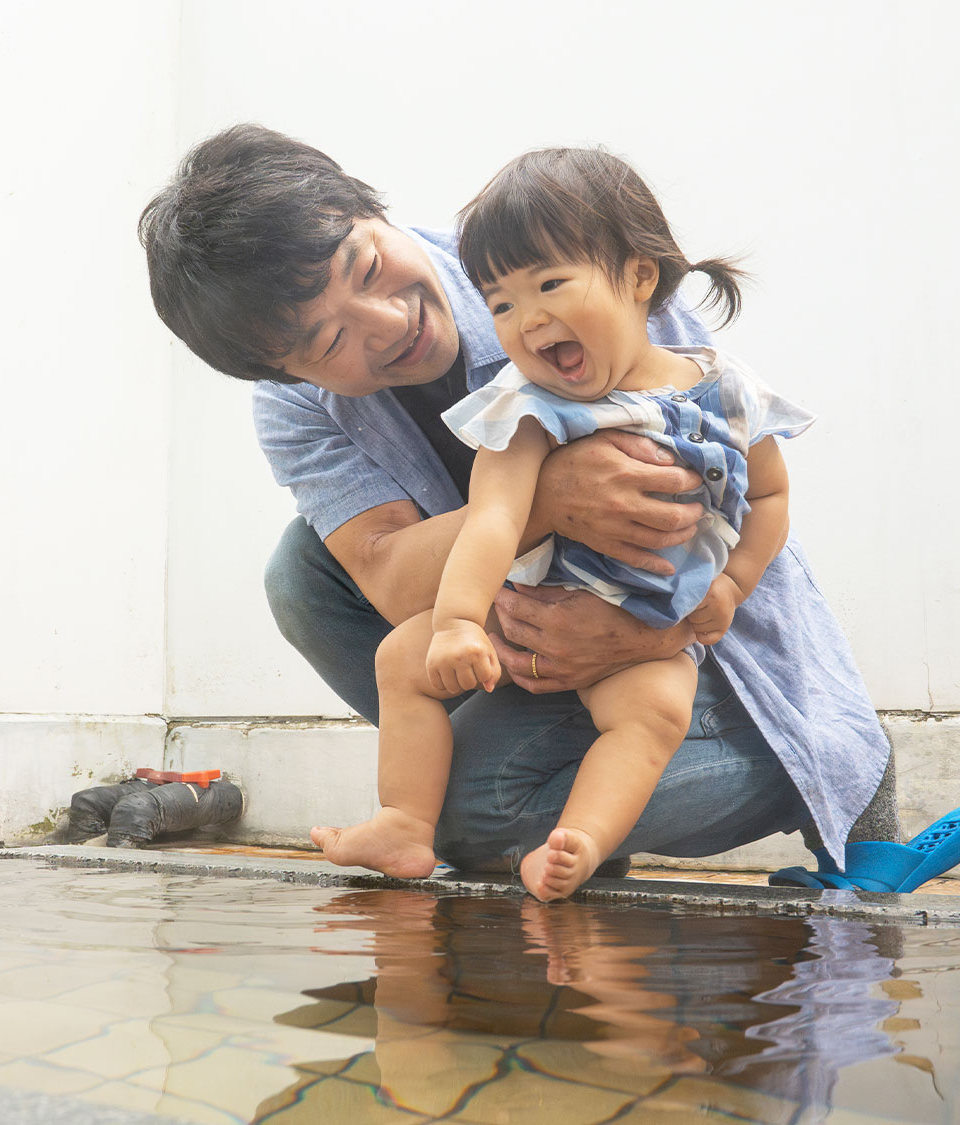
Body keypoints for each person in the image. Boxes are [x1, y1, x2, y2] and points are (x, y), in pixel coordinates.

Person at [138, 124, 908, 888]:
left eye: (368, 266)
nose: (386, 323)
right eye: (327, 340)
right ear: (283, 372)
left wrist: (650, 632)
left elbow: (728, 511)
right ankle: (462, 804)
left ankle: (809, 761)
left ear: (375, 212)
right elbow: (392, 580)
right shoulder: (295, 408)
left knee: (475, 819)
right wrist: (549, 496)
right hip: (518, 612)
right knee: (305, 572)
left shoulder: (558, 269)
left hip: (674, 622)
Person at [311, 147, 827, 900]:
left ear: (639, 276)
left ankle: (580, 842)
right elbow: (492, 518)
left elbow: (772, 499)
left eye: (551, 284)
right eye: (502, 304)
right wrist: (456, 621)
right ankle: (404, 821)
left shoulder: (728, 388)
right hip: (533, 611)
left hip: (650, 617)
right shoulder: (527, 408)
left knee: (651, 714)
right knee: (402, 659)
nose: (528, 320)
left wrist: (732, 584)